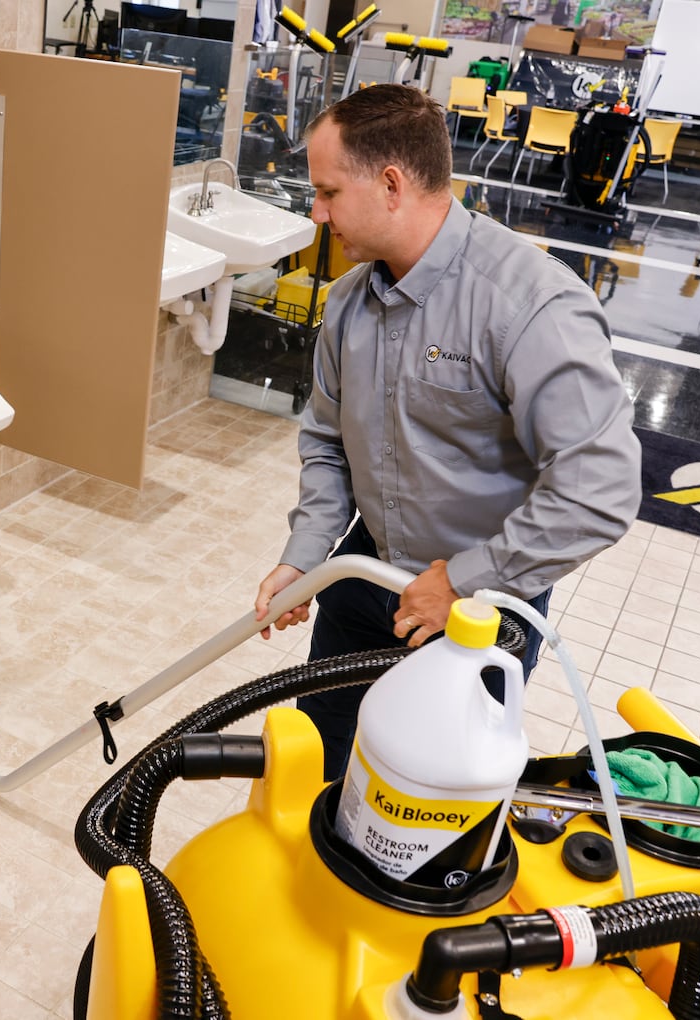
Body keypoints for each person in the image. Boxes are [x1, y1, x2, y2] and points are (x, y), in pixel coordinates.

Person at [253, 84, 640, 781]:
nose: (317, 213)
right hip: (364, 573)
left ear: (392, 184)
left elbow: (599, 490)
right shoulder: (348, 303)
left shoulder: (529, 305)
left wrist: (463, 582)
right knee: (320, 768)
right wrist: (308, 554)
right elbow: (327, 440)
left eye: (328, 192)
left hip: (480, 609)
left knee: (429, 804)